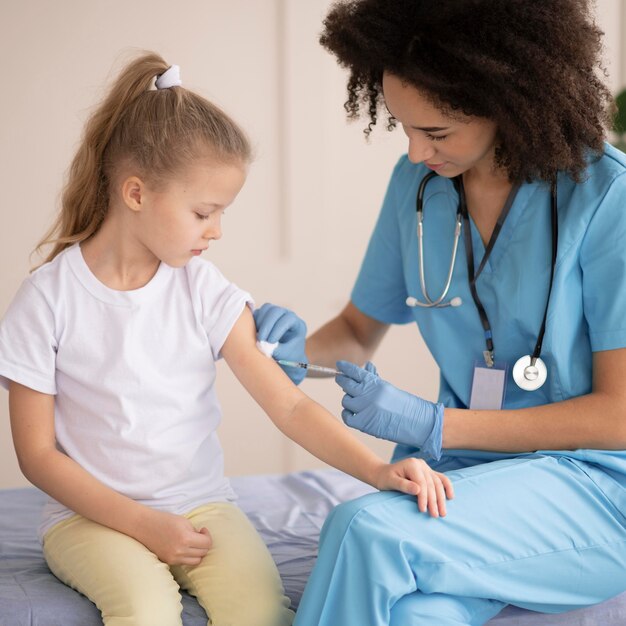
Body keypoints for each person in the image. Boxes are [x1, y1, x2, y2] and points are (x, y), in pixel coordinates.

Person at [0, 51, 454, 626]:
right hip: (88, 518)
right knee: (145, 610)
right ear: (136, 194)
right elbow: (37, 456)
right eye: (203, 212)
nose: (216, 231)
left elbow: (288, 404)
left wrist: (376, 472)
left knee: (263, 612)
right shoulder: (46, 299)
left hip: (202, 505)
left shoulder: (204, 289)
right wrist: (144, 525)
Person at [253, 1, 626, 624]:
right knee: (407, 613)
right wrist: (281, 353)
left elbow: (619, 416)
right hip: (461, 474)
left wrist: (434, 424)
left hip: (591, 486)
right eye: (403, 126)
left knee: (364, 531)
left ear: (505, 101)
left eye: (437, 133)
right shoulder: (418, 186)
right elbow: (354, 331)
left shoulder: (608, 197)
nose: (416, 150)